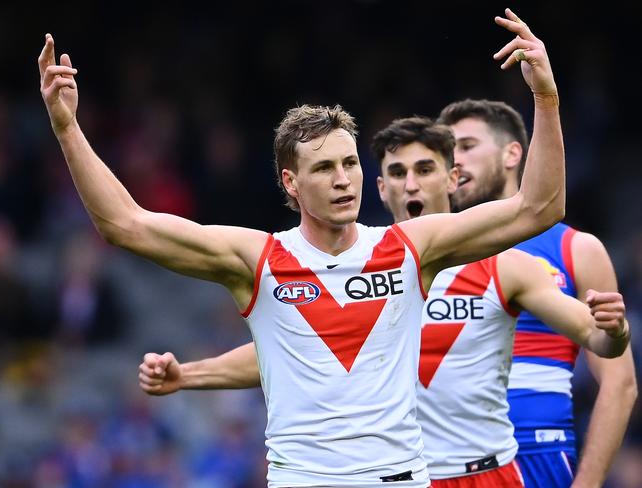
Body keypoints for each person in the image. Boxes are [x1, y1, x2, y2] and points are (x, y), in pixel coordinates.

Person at [41, 8, 565, 488]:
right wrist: (67, 127)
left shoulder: (410, 248)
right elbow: (126, 225)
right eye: (323, 168)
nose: (343, 180)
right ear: (291, 183)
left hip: (401, 478)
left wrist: (545, 97)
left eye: (350, 163)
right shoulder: (259, 260)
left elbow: (538, 208)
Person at [139, 112, 630, 488]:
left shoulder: (504, 266)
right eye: (396, 172)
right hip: (401, 473)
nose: (410, 183)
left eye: (424, 169)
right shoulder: (377, 268)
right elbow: (289, 353)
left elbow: (597, 339)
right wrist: (192, 375)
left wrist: (611, 331)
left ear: (453, 179)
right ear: (381, 185)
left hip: (478, 473)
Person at [437, 100, 638, 488]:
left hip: (538, 455)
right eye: (447, 151)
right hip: (445, 459)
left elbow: (620, 382)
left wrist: (589, 483)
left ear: (513, 153)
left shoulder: (576, 250)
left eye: (466, 145)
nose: (455, 161)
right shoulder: (431, 251)